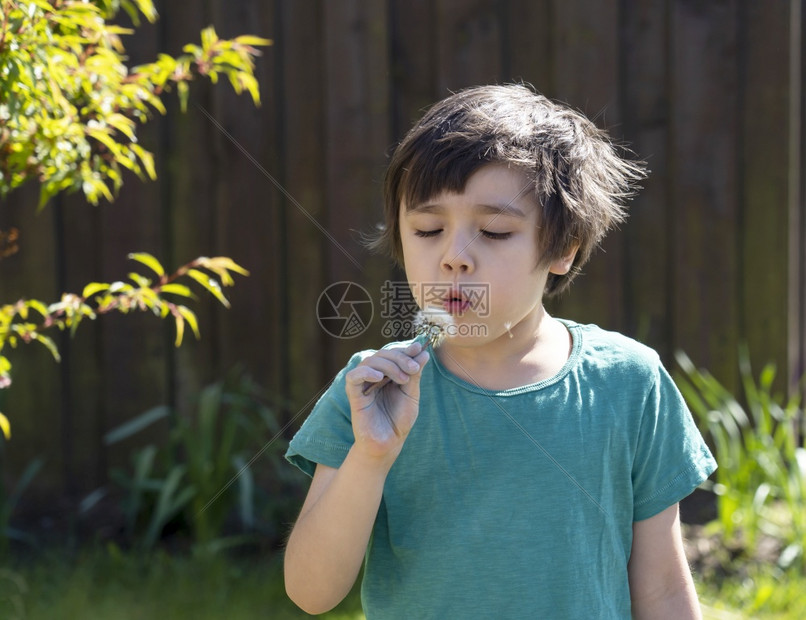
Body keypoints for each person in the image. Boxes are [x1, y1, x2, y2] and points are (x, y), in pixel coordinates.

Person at [283, 84, 717, 619]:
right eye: (427, 229)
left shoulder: (629, 382)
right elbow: (311, 591)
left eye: (492, 231)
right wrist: (370, 458)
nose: (454, 258)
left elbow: (664, 591)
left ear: (563, 248)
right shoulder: (372, 391)